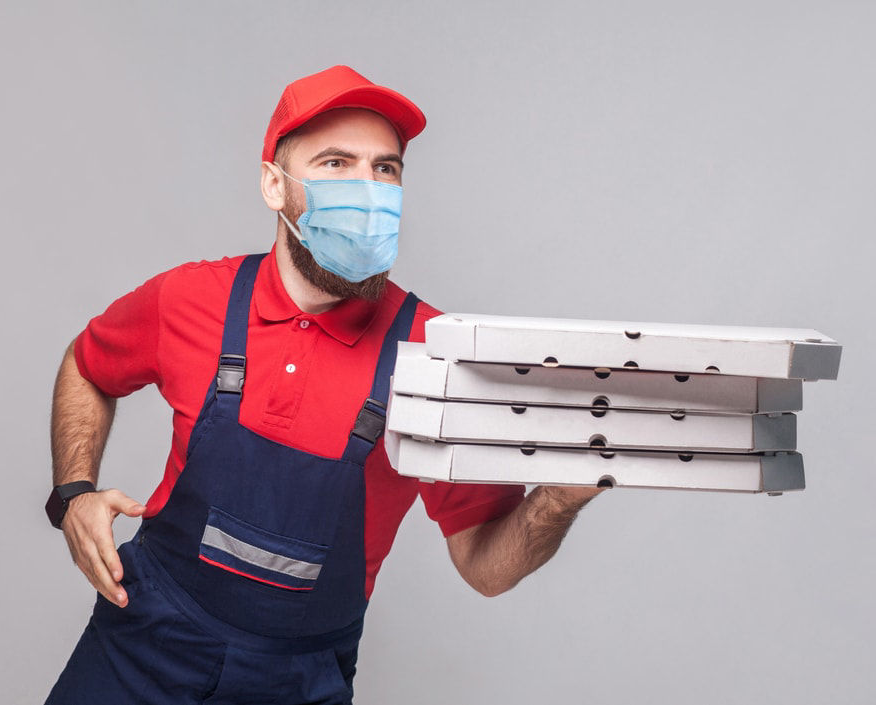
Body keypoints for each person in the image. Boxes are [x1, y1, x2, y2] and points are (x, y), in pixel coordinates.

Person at [44, 65, 603, 705]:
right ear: (274, 186)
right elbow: (87, 367)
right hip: (142, 647)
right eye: (336, 164)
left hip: (298, 682)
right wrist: (73, 493)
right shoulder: (190, 299)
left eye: (385, 169)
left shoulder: (437, 357)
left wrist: (560, 496)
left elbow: (485, 566)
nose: (367, 190)